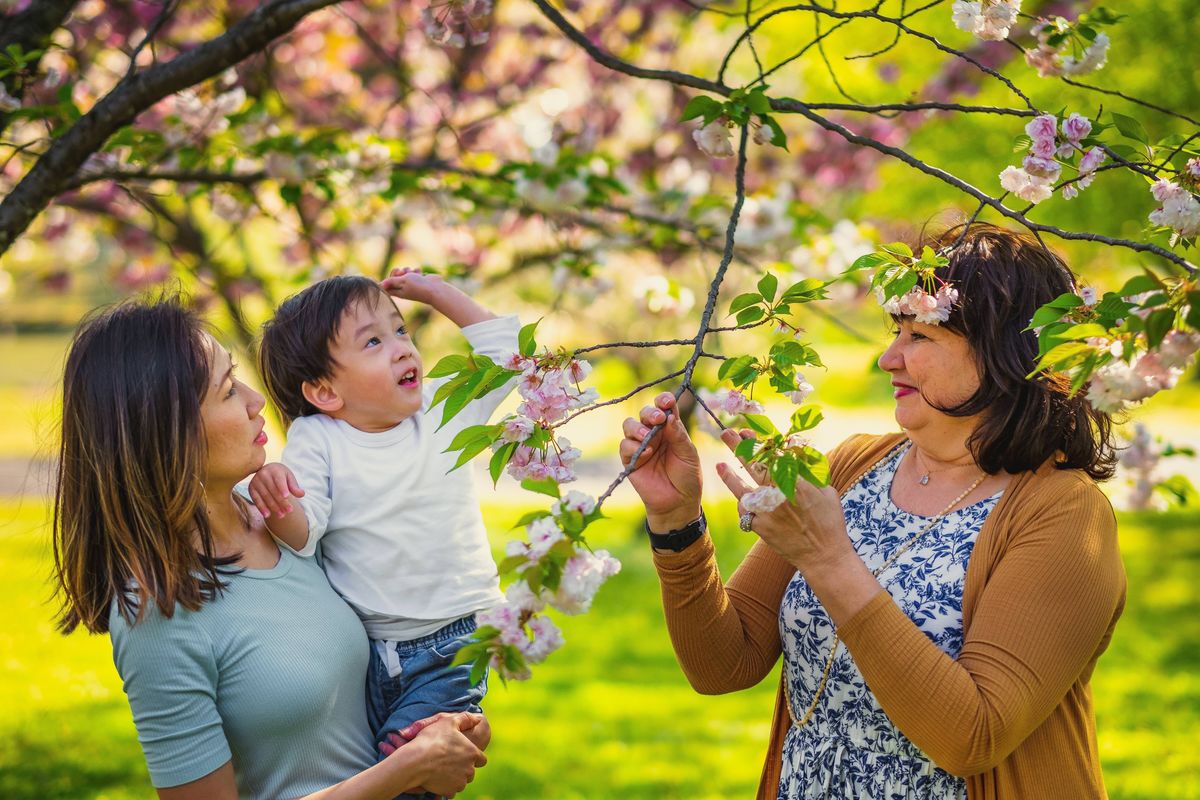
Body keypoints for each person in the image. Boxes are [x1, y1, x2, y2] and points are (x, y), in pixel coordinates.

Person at [620, 223, 1126, 799]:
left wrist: (825, 557)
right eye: (896, 332)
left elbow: (973, 736)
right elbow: (722, 665)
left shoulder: (1063, 515)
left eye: (921, 338)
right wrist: (675, 520)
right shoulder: (852, 466)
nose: (889, 359)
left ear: (1005, 350)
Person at [51, 296, 489, 799]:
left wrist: (452, 730)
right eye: (226, 391)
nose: (256, 399)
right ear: (169, 431)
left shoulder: (284, 516)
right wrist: (407, 767)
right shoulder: (158, 612)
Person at [250, 269, 519, 766]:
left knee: (411, 768)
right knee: (363, 766)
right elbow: (304, 531)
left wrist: (437, 293)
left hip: (455, 639)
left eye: (400, 331)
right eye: (373, 341)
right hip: (364, 650)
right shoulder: (318, 439)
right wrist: (278, 504)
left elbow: (508, 355)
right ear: (326, 392)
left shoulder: (443, 406)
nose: (401, 348)